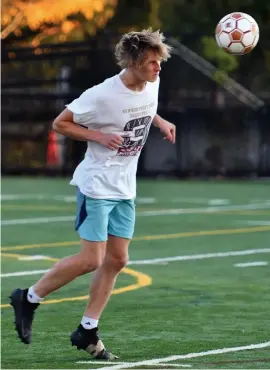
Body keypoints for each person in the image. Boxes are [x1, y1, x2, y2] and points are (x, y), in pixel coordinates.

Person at [10, 28, 176, 360]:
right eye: (152, 62)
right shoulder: (101, 95)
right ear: (132, 62)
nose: (158, 68)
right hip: (97, 184)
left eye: (159, 62)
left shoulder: (152, 82)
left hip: (125, 186)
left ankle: (87, 330)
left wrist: (158, 121)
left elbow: (142, 107)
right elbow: (61, 124)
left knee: (117, 259)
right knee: (91, 259)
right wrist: (99, 136)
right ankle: (28, 297)